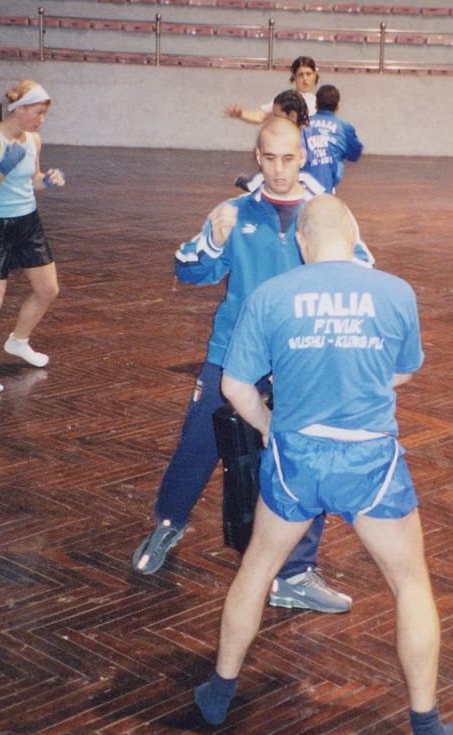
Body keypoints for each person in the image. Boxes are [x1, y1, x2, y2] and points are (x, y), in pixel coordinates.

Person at [194, 194, 453, 735]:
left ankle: (217, 695)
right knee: (411, 584)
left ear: (302, 244)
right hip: (371, 463)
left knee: (258, 570)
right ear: (355, 235)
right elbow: (406, 369)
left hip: (297, 460)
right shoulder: (396, 291)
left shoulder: (271, 296)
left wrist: (272, 430)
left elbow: (235, 389)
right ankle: (427, 729)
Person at [132, 117, 372, 614]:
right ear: (257, 157)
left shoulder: (326, 213)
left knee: (298, 459)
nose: (280, 169)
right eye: (270, 158)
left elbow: (362, 270)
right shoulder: (233, 212)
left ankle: (296, 573)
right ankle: (169, 523)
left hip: (300, 359)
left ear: (302, 156)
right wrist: (215, 242)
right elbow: (189, 269)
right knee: (198, 444)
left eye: (289, 158)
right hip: (232, 352)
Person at [0, 79, 65, 394]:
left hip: (28, 223)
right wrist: (4, 166)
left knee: (48, 290)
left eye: (43, 114)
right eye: (37, 113)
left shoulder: (33, 140)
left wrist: (47, 181)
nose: (41, 120)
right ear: (19, 109)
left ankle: (18, 341)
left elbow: (32, 179)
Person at [224, 55, 319, 125]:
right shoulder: (286, 99)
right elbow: (260, 116)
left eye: (308, 74)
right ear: (294, 77)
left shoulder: (321, 101)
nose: (305, 78)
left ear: (314, 75)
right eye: (301, 74)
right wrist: (241, 114)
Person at [306, 84, 364, 192]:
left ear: (316, 104)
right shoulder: (344, 127)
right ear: (337, 106)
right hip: (329, 176)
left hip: (302, 176)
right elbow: (354, 154)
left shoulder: (303, 123)